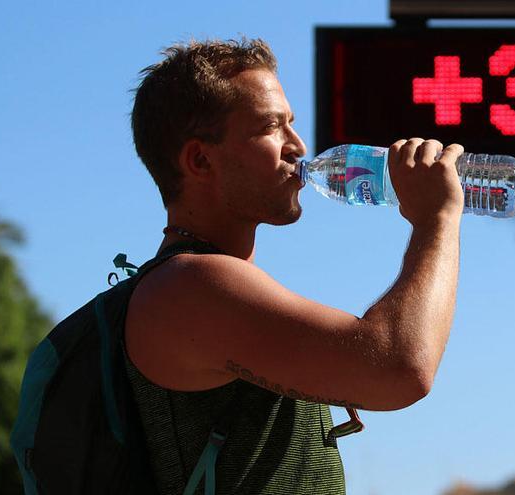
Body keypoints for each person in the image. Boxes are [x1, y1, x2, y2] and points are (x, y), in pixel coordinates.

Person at [125, 37, 464, 494]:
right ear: (200, 159)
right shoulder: (189, 286)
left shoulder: (206, 283)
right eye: (270, 127)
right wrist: (436, 219)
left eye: (292, 124)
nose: (298, 146)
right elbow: (402, 369)